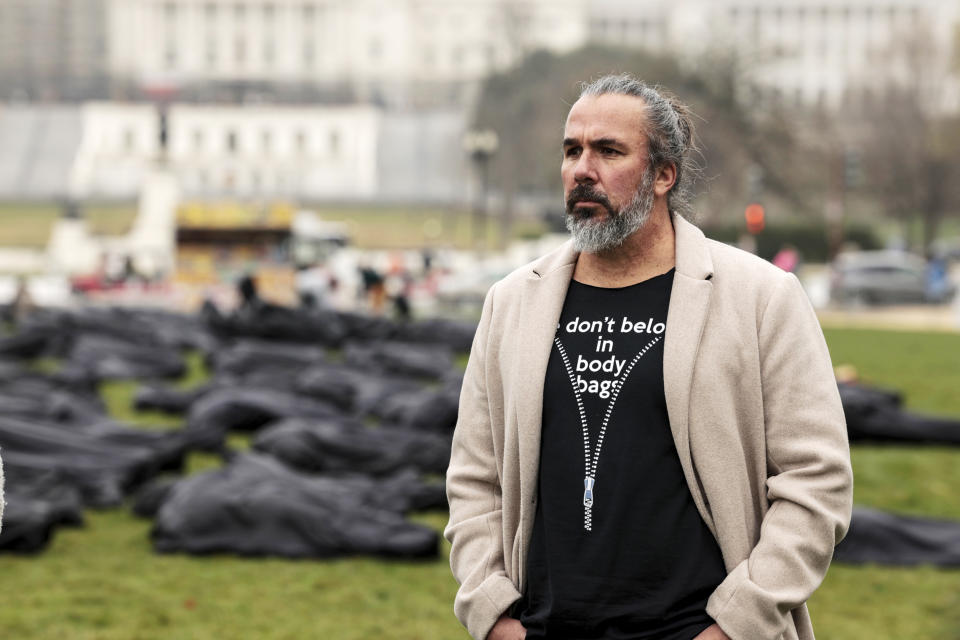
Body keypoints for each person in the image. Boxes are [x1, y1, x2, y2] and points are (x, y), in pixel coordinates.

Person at [445, 74, 853, 640]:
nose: (582, 169)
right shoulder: (512, 303)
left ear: (664, 174)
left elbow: (817, 481)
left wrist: (736, 625)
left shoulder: (761, 298)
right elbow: (474, 479)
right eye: (571, 150)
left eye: (608, 150)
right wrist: (493, 613)